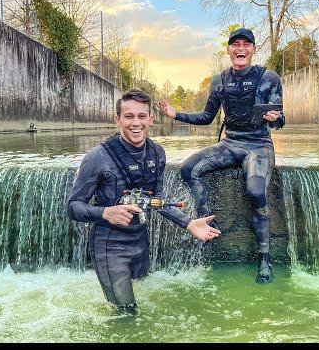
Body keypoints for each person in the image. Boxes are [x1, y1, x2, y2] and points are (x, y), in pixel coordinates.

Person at [66, 89, 221, 315]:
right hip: (110, 246)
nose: (135, 123)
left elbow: (156, 199)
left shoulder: (157, 153)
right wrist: (105, 213)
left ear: (151, 119)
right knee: (127, 314)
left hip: (140, 241)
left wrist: (188, 223)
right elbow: (72, 206)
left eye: (141, 116)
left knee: (148, 306)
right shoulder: (97, 157)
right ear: (117, 119)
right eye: (129, 116)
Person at [156, 28, 285, 284]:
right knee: (188, 168)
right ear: (228, 50)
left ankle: (264, 258)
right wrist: (175, 114)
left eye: (246, 45)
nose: (241, 49)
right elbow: (206, 117)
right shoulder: (219, 81)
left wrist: (276, 118)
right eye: (235, 45)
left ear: (253, 49)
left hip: (259, 145)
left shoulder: (269, 78)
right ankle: (206, 219)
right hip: (230, 143)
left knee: (256, 191)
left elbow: (280, 120)